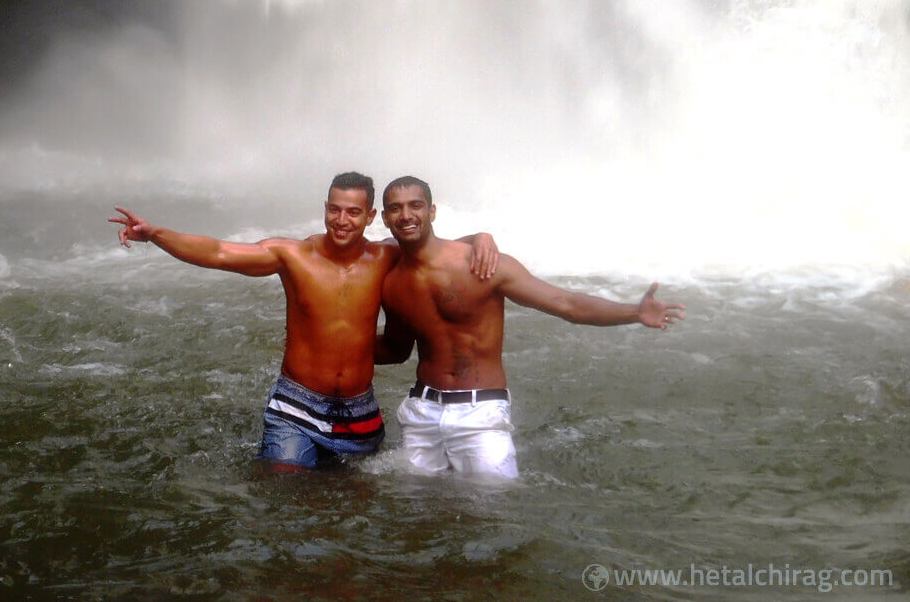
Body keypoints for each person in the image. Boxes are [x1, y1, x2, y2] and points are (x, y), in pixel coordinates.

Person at [110, 172, 500, 470]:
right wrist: (156, 234)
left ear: (370, 216)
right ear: (325, 208)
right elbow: (219, 252)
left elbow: (433, 247)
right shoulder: (293, 256)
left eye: (352, 212)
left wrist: (481, 237)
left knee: (355, 510)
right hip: (296, 408)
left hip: (360, 412)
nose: (341, 220)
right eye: (334, 209)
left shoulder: (386, 257)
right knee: (285, 497)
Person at [376, 176, 685, 479]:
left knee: (492, 513)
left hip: (480, 414)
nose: (406, 215)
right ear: (386, 218)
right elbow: (396, 349)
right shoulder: (391, 281)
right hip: (422, 413)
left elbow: (567, 304)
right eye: (395, 208)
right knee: (416, 513)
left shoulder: (482, 264)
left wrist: (634, 312)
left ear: (432, 212)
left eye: (415, 205)